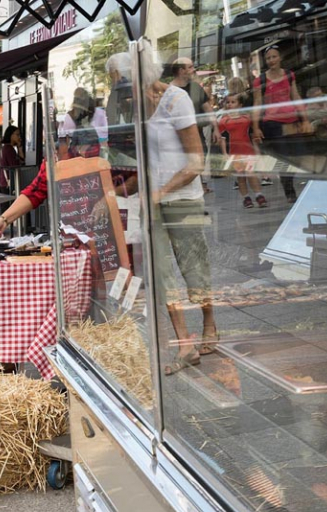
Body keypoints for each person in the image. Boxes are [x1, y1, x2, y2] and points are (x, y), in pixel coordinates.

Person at [145, 50, 217, 375]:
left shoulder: (177, 100)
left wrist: (160, 193)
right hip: (154, 202)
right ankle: (185, 345)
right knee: (162, 272)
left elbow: (196, 162)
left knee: (193, 266)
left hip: (183, 197)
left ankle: (209, 323)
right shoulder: (137, 107)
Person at [251, 45, 310, 203]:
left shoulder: (289, 75)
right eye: (268, 58)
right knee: (284, 157)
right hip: (273, 124)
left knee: (299, 154)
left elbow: (295, 96)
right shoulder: (260, 80)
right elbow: (257, 104)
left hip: (292, 120)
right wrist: (256, 128)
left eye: (274, 57)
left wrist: (304, 119)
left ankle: (291, 182)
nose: (271, 60)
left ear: (280, 57)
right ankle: (289, 191)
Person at [171, 57, 219, 195]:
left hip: (197, 132)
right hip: (179, 136)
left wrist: (215, 128)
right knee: (187, 162)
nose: (193, 70)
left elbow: (208, 108)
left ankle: (197, 186)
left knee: (199, 161)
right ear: (181, 70)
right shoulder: (170, 90)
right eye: (190, 67)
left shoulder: (196, 88)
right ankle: (193, 189)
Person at [218, 93, 264, 208]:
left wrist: (257, 151)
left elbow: (253, 135)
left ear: (240, 105)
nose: (230, 104)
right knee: (241, 177)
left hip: (248, 151)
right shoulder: (224, 121)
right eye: (228, 102)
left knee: (251, 174)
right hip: (234, 153)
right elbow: (223, 139)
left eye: (233, 102)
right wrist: (224, 153)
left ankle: (259, 195)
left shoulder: (246, 119)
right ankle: (246, 198)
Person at [0, 126, 24, 193]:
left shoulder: (6, 148)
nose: (19, 137)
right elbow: (16, 165)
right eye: (17, 135)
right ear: (11, 135)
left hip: (5, 182)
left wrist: (19, 147)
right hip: (9, 182)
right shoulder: (9, 149)